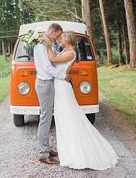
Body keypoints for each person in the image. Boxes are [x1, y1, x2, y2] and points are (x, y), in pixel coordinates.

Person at [46, 31, 118, 170]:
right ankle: (68, 151)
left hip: (63, 88)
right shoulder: (65, 50)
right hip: (60, 85)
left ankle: (76, 153)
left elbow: (53, 59)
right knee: (62, 118)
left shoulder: (71, 52)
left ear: (67, 40)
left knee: (69, 118)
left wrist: (46, 43)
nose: (60, 40)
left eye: (62, 38)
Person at [33, 22, 68, 165]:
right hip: (45, 84)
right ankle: (43, 154)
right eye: (58, 35)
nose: (57, 38)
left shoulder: (45, 44)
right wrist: (62, 75)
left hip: (45, 84)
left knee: (46, 118)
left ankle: (46, 149)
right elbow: (48, 68)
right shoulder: (41, 45)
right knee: (45, 119)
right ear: (52, 31)